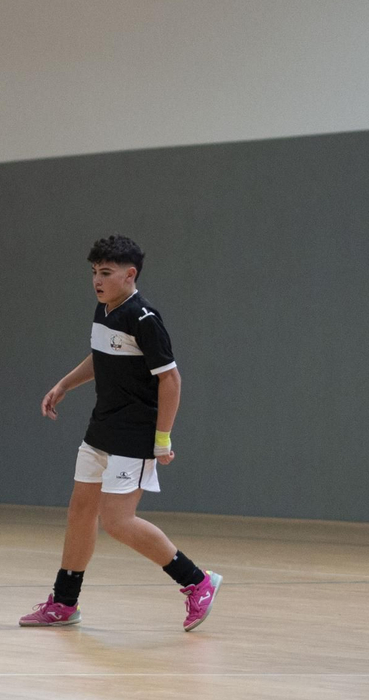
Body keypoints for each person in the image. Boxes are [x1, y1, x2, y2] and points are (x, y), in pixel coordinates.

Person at [22, 235, 223, 631]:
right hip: (102, 428)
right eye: (94, 272)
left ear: (130, 275)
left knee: (117, 521)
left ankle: (197, 581)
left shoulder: (144, 319)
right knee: (81, 511)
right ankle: (64, 603)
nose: (97, 280)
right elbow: (102, 356)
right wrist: (63, 385)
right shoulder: (104, 310)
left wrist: (162, 438)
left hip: (135, 434)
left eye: (106, 273)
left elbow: (172, 380)